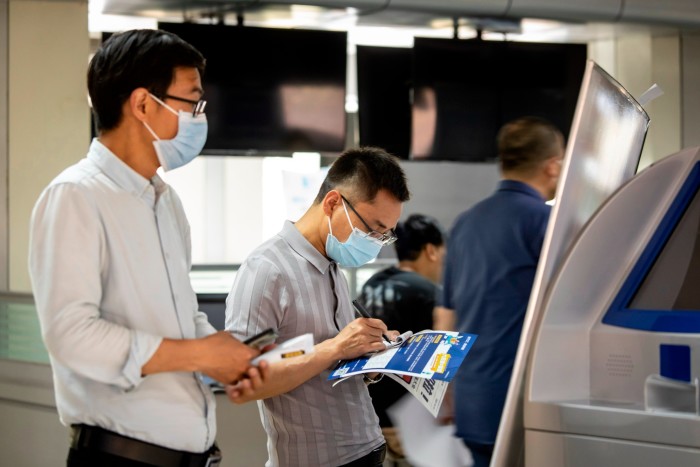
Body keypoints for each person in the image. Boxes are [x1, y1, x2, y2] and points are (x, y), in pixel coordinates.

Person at [28, 29, 263, 467]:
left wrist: (227, 355)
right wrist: (200, 354)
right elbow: (71, 335)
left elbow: (179, 316)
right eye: (191, 103)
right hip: (120, 457)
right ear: (142, 104)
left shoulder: (165, 201)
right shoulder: (75, 196)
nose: (198, 117)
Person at [225, 147, 411, 467]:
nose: (375, 244)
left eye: (385, 236)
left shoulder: (331, 262)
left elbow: (326, 365)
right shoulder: (266, 269)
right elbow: (242, 378)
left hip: (366, 449)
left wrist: (369, 354)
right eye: (372, 230)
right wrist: (336, 347)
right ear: (333, 203)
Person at [442, 116, 565, 467]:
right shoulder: (544, 222)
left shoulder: (465, 223)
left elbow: (445, 315)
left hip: (472, 398)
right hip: (522, 402)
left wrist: (448, 389)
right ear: (553, 166)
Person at [357, 213, 447, 460]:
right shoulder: (429, 294)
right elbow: (442, 362)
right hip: (406, 420)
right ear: (431, 250)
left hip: (370, 412)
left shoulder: (373, 283)